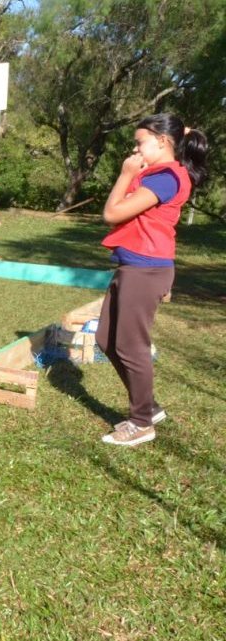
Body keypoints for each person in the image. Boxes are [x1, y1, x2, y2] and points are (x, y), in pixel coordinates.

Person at [96, 113, 207, 446]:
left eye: (140, 141)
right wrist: (134, 174)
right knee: (105, 339)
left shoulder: (165, 178)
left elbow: (112, 213)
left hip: (145, 270)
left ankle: (141, 422)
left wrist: (125, 174)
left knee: (131, 347)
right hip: (133, 267)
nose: (135, 148)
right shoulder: (155, 174)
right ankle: (149, 407)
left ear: (162, 141)